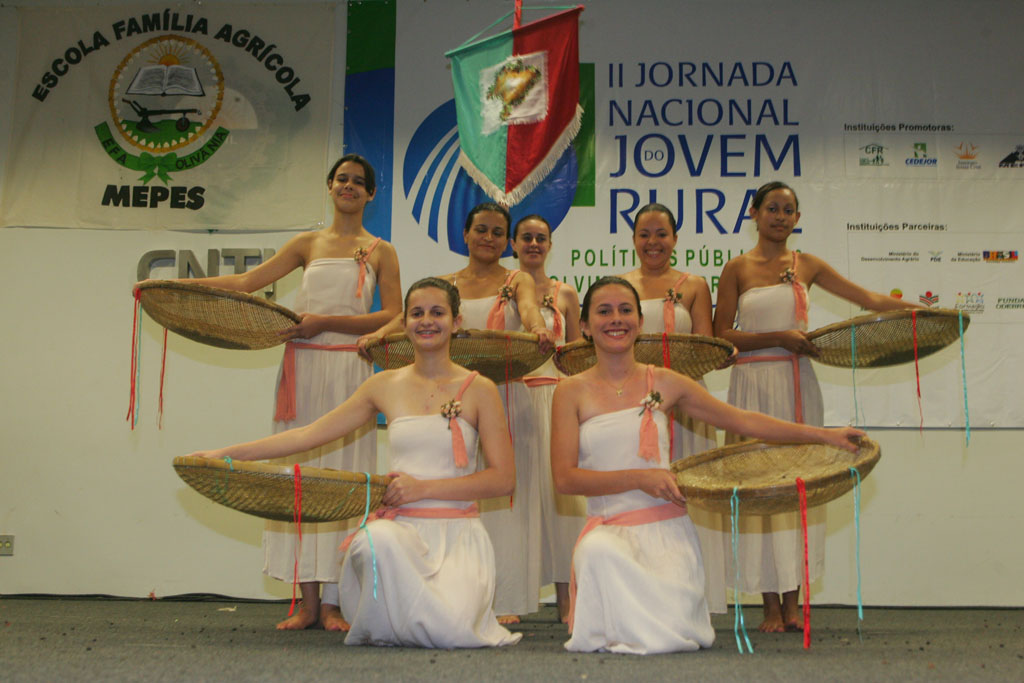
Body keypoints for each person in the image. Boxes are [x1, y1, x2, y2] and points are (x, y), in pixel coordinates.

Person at [189, 278, 520, 648]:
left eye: (437, 312)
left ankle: (432, 616)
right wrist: (225, 454)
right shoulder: (383, 386)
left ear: (456, 322)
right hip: (400, 535)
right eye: (417, 313)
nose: (427, 321)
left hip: (458, 539)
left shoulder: (480, 389)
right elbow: (306, 434)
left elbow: (503, 480)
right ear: (405, 322)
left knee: (452, 631)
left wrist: (423, 488)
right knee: (374, 541)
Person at [149, 154, 401, 631]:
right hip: (301, 371)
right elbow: (246, 283)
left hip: (351, 373)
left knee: (347, 477)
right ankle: (306, 602)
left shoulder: (382, 250)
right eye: (341, 179)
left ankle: (335, 604)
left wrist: (326, 323)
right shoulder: (307, 243)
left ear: (370, 194)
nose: (348, 186)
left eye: (358, 182)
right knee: (299, 476)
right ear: (329, 187)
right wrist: (181, 287)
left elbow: (392, 317)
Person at [551, 276, 864, 654]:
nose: (616, 319)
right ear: (584, 326)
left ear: (640, 320)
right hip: (608, 532)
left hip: (667, 534)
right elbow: (565, 479)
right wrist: (640, 477)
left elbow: (744, 421)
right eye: (603, 311)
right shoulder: (569, 391)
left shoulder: (666, 382)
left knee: (673, 638)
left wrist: (826, 435)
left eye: (625, 310)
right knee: (598, 553)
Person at [712, 181, 919, 633]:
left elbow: (868, 300)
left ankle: (794, 603)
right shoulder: (737, 268)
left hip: (798, 382)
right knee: (760, 485)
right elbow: (722, 335)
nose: (780, 216)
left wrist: (917, 312)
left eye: (788, 210)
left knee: (799, 484)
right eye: (772, 208)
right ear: (754, 213)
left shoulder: (809, 265)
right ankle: (768, 605)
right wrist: (777, 338)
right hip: (753, 384)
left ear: (797, 218)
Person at [359, 202, 554, 623]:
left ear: (507, 242)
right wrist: (378, 333)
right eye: (480, 229)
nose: (488, 237)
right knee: (456, 490)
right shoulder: (444, 285)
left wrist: (538, 329)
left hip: (505, 394)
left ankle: (501, 599)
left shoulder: (518, 279)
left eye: (498, 232)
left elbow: (531, 309)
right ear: (465, 235)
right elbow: (404, 316)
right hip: (453, 401)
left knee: (506, 500)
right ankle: (448, 591)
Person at [618, 202, 728, 614]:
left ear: (675, 239)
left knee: (694, 493)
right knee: (643, 496)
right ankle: (644, 597)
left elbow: (706, 349)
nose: (653, 242)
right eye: (644, 234)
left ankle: (698, 596)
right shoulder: (618, 285)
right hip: (635, 404)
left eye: (661, 234)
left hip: (687, 401)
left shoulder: (695, 285)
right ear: (633, 240)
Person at [510, 214, 585, 623]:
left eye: (541, 238)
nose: (534, 244)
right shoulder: (503, 287)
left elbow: (575, 355)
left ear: (551, 244)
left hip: (556, 399)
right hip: (512, 398)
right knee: (516, 498)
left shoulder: (567, 293)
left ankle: (568, 598)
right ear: (513, 242)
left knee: (563, 500)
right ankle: (512, 594)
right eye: (526, 237)